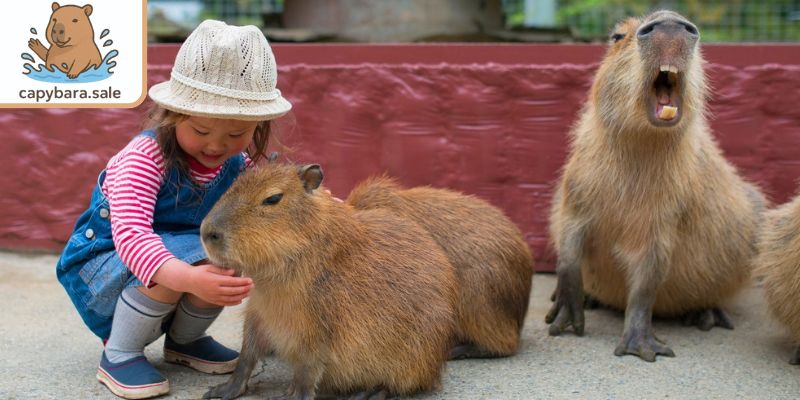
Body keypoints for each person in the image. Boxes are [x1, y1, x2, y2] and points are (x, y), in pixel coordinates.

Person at [55, 20, 292, 399]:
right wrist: (188, 278)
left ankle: (184, 342)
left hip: (167, 264)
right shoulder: (144, 157)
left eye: (235, 134)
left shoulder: (238, 165)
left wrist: (316, 207)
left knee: (225, 256)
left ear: (258, 124)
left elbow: (265, 205)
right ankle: (120, 353)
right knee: (180, 264)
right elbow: (132, 237)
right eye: (201, 131)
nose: (216, 146)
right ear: (172, 114)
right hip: (106, 267)